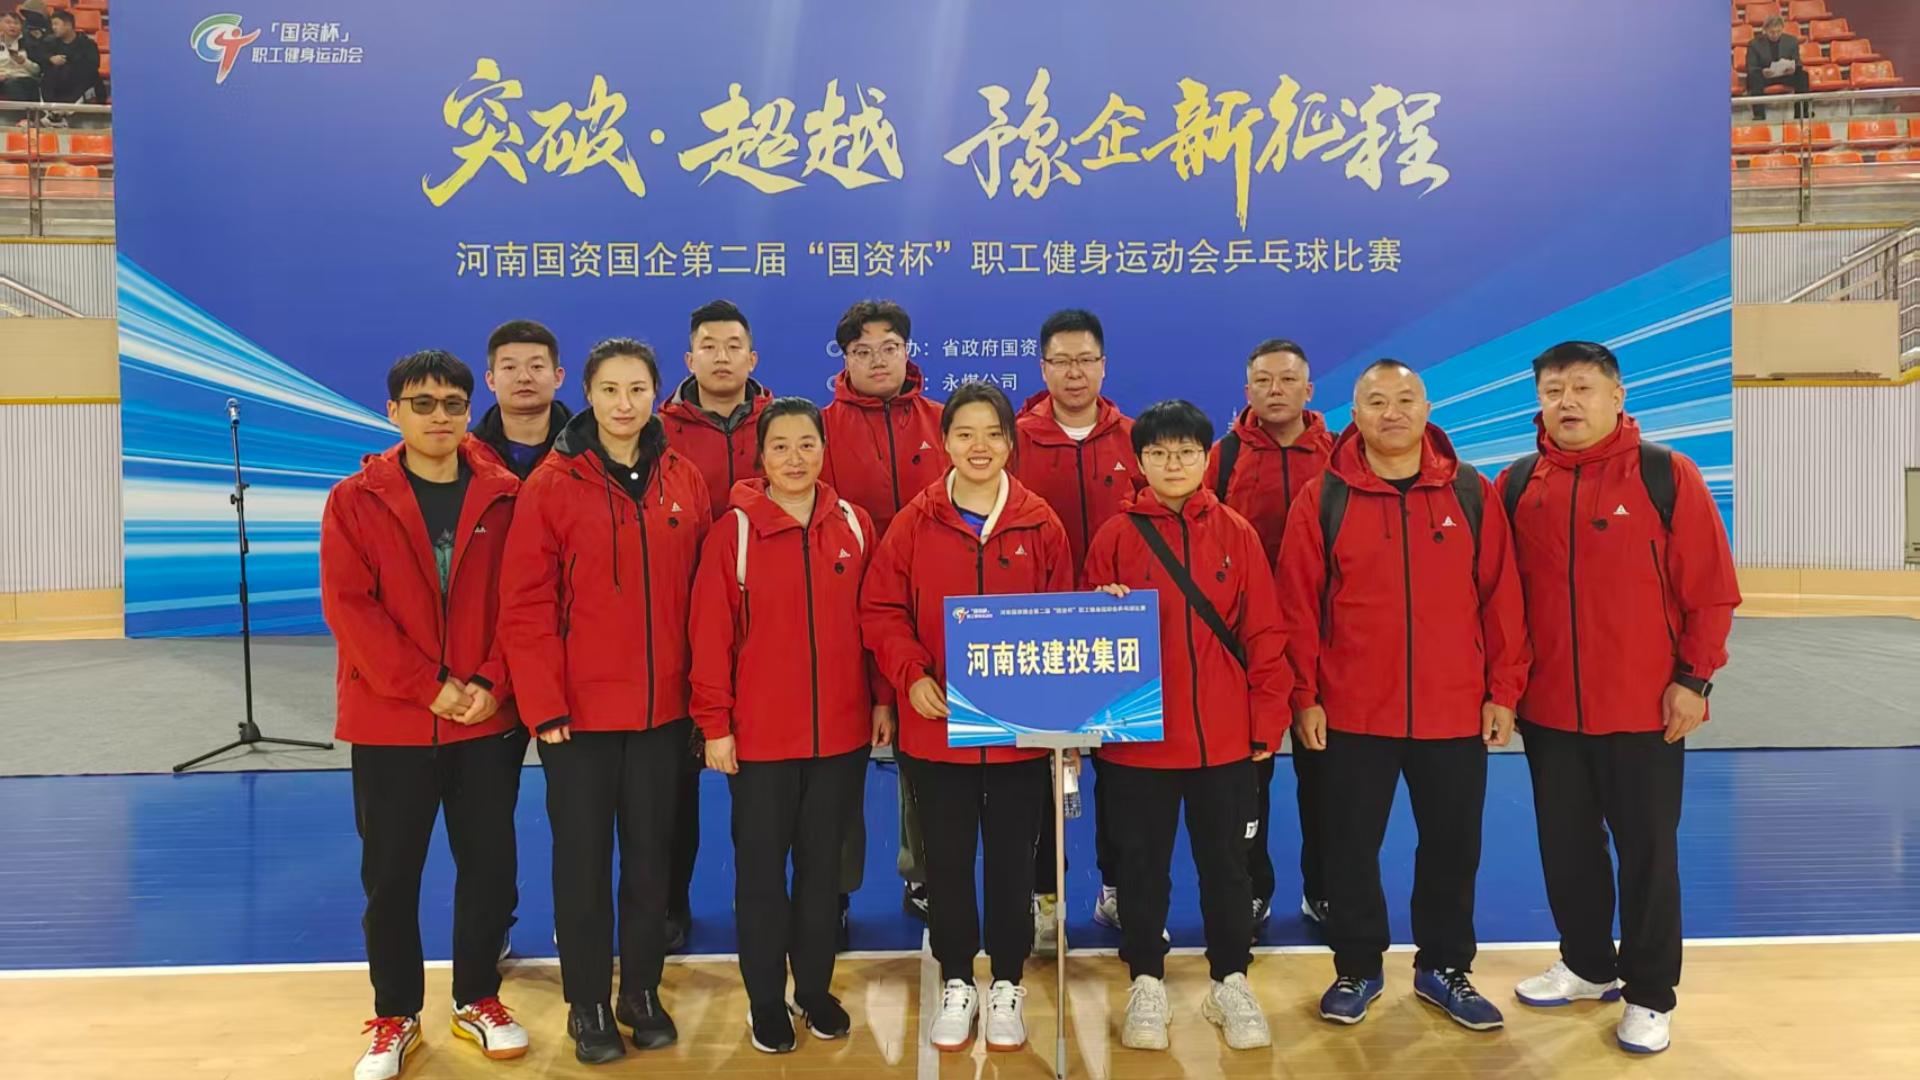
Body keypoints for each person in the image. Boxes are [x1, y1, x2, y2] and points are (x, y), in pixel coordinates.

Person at [1499, 342, 1740, 1055]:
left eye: (1582, 387)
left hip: (1645, 709)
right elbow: (1500, 599)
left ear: (1616, 396)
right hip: (1550, 712)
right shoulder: (1517, 484)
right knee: (1566, 848)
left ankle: (1650, 994)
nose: (1567, 402)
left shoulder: (1667, 474)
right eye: (1553, 391)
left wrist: (1694, 680)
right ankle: (1585, 964)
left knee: (1648, 855)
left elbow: (1711, 590)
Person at [1277, 360, 1527, 1032]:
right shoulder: (1323, 498)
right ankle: (1356, 967)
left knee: (1452, 846)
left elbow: (1501, 597)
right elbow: (1297, 605)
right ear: (1354, 414)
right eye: (1377, 402)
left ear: (1427, 408)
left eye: (1405, 399)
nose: (1392, 413)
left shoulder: (1471, 492)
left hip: (1453, 707)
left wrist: (1502, 689)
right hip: (1353, 710)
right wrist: (1304, 695)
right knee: (1348, 848)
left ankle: (1443, 967)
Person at [498, 339, 711, 1065]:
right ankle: (587, 1001)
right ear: (586, 394)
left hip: (663, 715)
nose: (625, 404)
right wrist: (544, 703)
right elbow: (525, 603)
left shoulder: (684, 478)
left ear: (657, 393)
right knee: (583, 863)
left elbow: (705, 600)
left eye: (638, 389)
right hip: (578, 721)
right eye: (611, 389)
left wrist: (701, 701)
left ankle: (640, 991)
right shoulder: (552, 485)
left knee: (652, 861)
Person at [320, 351, 529, 1080]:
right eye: (422, 403)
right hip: (392, 720)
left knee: (490, 868)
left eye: (451, 403)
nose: (439, 415)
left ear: (470, 410)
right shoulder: (354, 500)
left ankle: (477, 998)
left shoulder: (507, 495)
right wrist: (426, 686)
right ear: (394, 412)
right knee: (391, 876)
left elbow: (525, 599)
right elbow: (350, 608)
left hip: (486, 719)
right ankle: (396, 1014)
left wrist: (493, 681)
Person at [860, 381, 1073, 1054]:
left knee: (1013, 864)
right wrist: (911, 674)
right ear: (944, 441)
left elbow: (1063, 617)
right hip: (936, 731)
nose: (979, 447)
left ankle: (1006, 982)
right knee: (945, 865)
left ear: (1011, 442)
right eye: (964, 434)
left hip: (1019, 738)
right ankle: (957, 979)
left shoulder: (1041, 523)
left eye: (992, 434)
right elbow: (881, 609)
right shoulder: (914, 522)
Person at [1083, 400, 1290, 1053]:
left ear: (1206, 458)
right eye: (1159, 453)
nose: (1173, 464)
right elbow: (1086, 642)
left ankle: (1231, 980)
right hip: (1138, 744)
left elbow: (1265, 634)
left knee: (1228, 868)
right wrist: (1098, 607)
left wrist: (1266, 721)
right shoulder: (1114, 537)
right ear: (1140, 461)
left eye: (1186, 452)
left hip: (1223, 742)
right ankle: (1146, 979)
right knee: (1141, 870)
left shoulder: (1237, 534)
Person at [688, 397, 894, 1053]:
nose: (796, 458)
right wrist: (715, 725)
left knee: (822, 875)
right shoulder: (734, 533)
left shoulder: (855, 525)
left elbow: (878, 621)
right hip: (760, 741)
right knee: (760, 877)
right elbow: (710, 635)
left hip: (840, 737)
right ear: (762, 456)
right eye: (780, 446)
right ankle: (763, 1000)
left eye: (807, 444)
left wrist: (882, 699)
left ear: (824, 450)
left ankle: (813, 991)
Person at [1010, 307, 1144, 952]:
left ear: (1103, 366)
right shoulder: (1014, 441)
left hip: (1121, 635)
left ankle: (1118, 889)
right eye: (1060, 361)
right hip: (1041, 634)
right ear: (1043, 368)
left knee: (1126, 776)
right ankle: (1045, 899)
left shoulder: (1137, 440)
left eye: (1085, 359)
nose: (1073, 372)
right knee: (1040, 778)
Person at [1203, 337, 1335, 937]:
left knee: (1327, 777)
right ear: (1247, 390)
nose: (1275, 390)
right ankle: (1251, 891)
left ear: (1309, 389)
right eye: (1263, 381)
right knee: (1246, 782)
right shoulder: (1223, 457)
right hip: (1242, 648)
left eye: (1286, 380)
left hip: (1323, 643)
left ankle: (1324, 890)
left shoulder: (1342, 455)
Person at [820, 298, 946, 922]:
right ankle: (834, 885)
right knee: (838, 756)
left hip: (930, 614)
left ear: (907, 351)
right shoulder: (819, 429)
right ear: (844, 358)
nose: (877, 360)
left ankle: (923, 871)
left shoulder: (945, 422)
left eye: (889, 347)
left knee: (925, 748)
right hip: (840, 614)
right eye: (862, 350)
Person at [658, 299, 773, 951]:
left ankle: (786, 904)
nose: (722, 356)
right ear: (690, 358)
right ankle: (669, 903)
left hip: (769, 636)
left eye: (734, 345)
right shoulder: (657, 432)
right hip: (681, 629)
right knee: (672, 788)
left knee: (766, 786)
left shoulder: (784, 426)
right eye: (709, 345)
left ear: (752, 358)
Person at [469, 320, 571, 480]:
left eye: (536, 367)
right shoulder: (466, 455)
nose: (524, 378)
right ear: (491, 380)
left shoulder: (588, 449)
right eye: (510, 367)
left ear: (558, 377)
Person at [1745, 14, 1810, 121]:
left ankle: (1802, 113)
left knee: (1803, 76)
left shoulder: (1791, 41)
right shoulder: (1754, 44)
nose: (1775, 35)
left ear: (1782, 29)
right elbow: (1751, 66)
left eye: (1778, 31)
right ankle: (1759, 115)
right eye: (1772, 32)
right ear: (1765, 30)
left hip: (1785, 74)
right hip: (1765, 76)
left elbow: (1797, 62)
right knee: (1753, 78)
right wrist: (1762, 71)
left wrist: (1793, 68)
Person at [36, 10, 97, 107]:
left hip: (78, 83)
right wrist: (50, 59)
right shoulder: (49, 43)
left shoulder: (87, 44)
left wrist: (71, 63)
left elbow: (93, 66)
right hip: (55, 85)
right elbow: (40, 60)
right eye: (52, 24)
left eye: (56, 24)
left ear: (68, 25)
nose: (53, 27)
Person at [0, 15, 40, 103]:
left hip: (22, 79)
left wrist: (23, 62)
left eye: (16, 23)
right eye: (8, 22)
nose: (12, 26)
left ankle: (20, 112)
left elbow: (37, 71)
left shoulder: (30, 43)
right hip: (2, 78)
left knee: (12, 84)